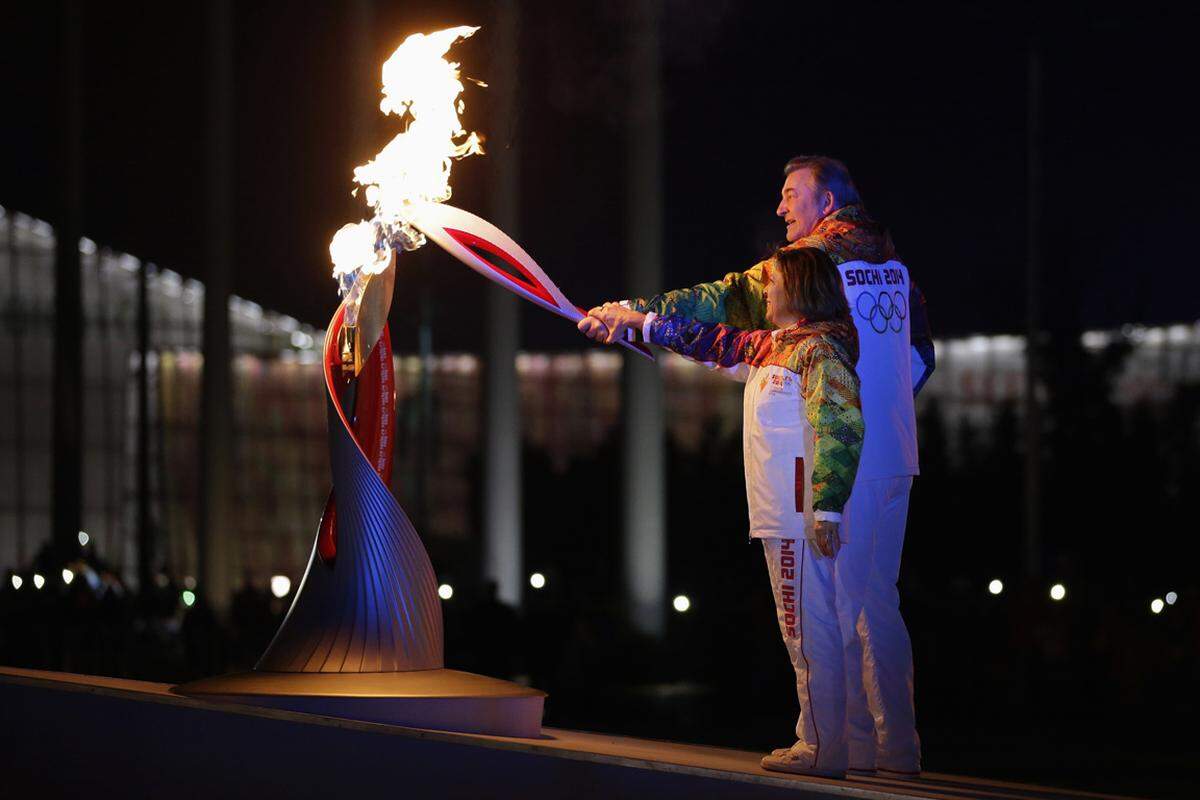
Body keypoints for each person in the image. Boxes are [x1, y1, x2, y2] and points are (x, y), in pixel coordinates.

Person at [582, 155, 931, 777]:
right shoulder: (895, 267)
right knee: (876, 603)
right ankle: (892, 746)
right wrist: (882, 410)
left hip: (832, 458)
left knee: (825, 606)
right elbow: (921, 358)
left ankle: (829, 744)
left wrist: (635, 311)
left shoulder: (809, 264)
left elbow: (724, 303)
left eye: (791, 193)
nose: (781, 207)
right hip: (892, 454)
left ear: (827, 203)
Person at [583, 247, 864, 777]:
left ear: (800, 288)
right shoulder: (776, 347)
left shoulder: (819, 350)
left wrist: (826, 506)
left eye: (774, 282)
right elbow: (710, 341)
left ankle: (823, 747)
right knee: (805, 626)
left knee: (808, 626)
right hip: (784, 513)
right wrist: (631, 321)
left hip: (799, 515)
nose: (765, 291)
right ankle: (825, 740)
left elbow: (841, 425)